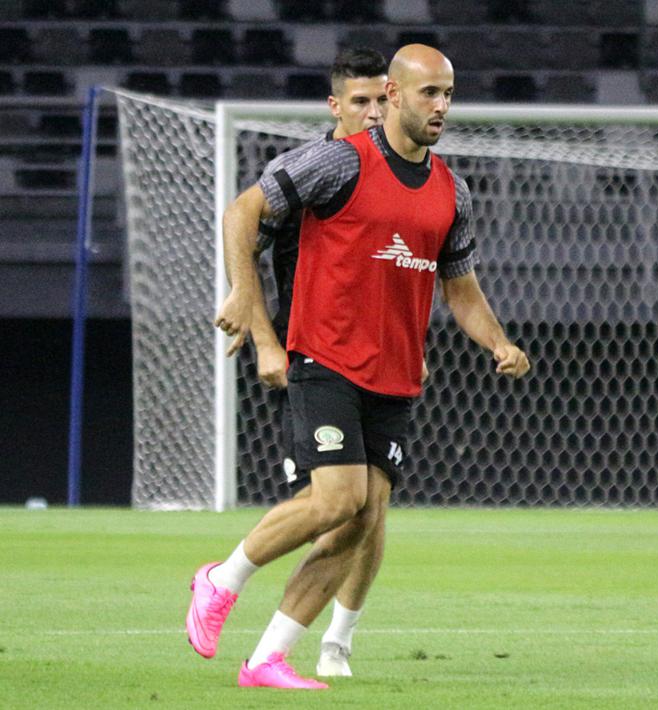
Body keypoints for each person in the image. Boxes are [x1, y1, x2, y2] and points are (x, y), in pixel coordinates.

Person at [190, 44, 531, 690]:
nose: (441, 106)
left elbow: (460, 288)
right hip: (325, 358)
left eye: (448, 94)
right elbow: (242, 210)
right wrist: (243, 296)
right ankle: (221, 578)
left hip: (395, 376)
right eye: (429, 93)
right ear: (394, 97)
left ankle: (267, 658)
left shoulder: (451, 191)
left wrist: (498, 343)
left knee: (363, 521)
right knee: (338, 499)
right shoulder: (339, 161)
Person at [245, 47, 394, 679]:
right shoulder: (308, 172)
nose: (373, 112)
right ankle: (234, 593)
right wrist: (257, 330)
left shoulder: (401, 171)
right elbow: (244, 242)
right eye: (360, 101)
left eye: (382, 100)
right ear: (335, 106)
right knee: (336, 504)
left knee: (372, 506)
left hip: (381, 360)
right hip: (311, 355)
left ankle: (338, 640)